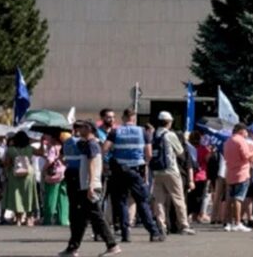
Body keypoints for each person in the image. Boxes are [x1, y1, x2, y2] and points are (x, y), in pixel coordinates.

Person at [103, 108, 164, 242]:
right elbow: (148, 154)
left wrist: (109, 160)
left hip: (119, 171)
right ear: (134, 118)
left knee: (121, 202)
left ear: (123, 118)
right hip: (136, 170)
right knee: (142, 201)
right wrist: (144, 164)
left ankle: (125, 234)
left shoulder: (115, 131)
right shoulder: (143, 132)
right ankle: (153, 232)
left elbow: (104, 149)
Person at [61, 120, 120, 257]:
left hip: (87, 185)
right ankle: (72, 247)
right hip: (84, 184)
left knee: (95, 215)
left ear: (89, 128)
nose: (78, 130)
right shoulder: (87, 144)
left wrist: (92, 184)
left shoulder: (92, 144)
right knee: (79, 217)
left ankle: (112, 245)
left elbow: (93, 164)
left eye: (81, 127)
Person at [147, 111, 190, 235]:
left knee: (159, 200)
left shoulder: (153, 134)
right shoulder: (170, 135)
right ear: (169, 122)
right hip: (171, 170)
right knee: (178, 198)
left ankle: (161, 225)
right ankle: (183, 225)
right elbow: (180, 151)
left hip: (156, 171)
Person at [221, 123, 253, 232]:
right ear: (241, 131)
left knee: (229, 199)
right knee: (238, 198)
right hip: (241, 172)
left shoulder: (228, 141)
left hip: (230, 172)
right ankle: (237, 222)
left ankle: (228, 223)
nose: (247, 134)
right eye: (246, 131)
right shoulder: (241, 141)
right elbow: (246, 156)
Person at [2, 130, 38, 226]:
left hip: (15, 175)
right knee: (28, 195)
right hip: (28, 174)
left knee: (17, 196)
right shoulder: (30, 148)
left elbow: (6, 163)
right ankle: (29, 218)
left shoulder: (11, 150)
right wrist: (42, 143)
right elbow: (42, 153)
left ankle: (18, 219)